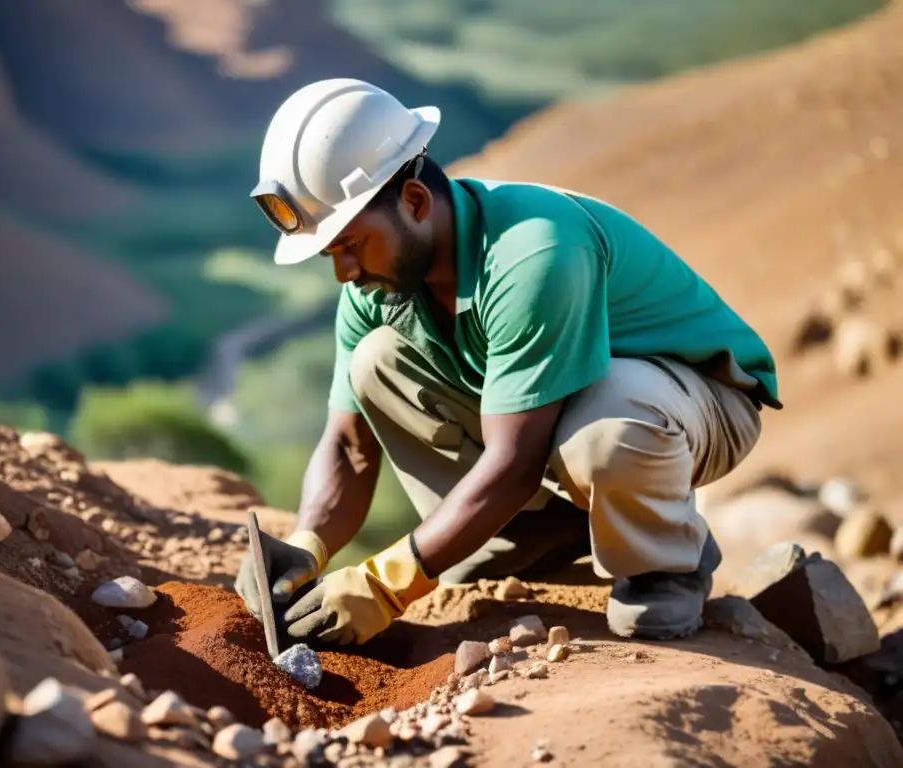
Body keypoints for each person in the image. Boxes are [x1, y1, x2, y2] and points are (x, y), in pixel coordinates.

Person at [234, 78, 781, 647]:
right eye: (330, 254)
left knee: (603, 429)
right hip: (561, 413)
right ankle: (539, 533)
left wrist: (387, 582)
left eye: (351, 244)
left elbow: (515, 461)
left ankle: (665, 559)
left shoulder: (533, 252)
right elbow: (349, 446)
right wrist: (306, 544)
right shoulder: (377, 283)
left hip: (696, 402)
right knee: (374, 362)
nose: (343, 272)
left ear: (415, 203)